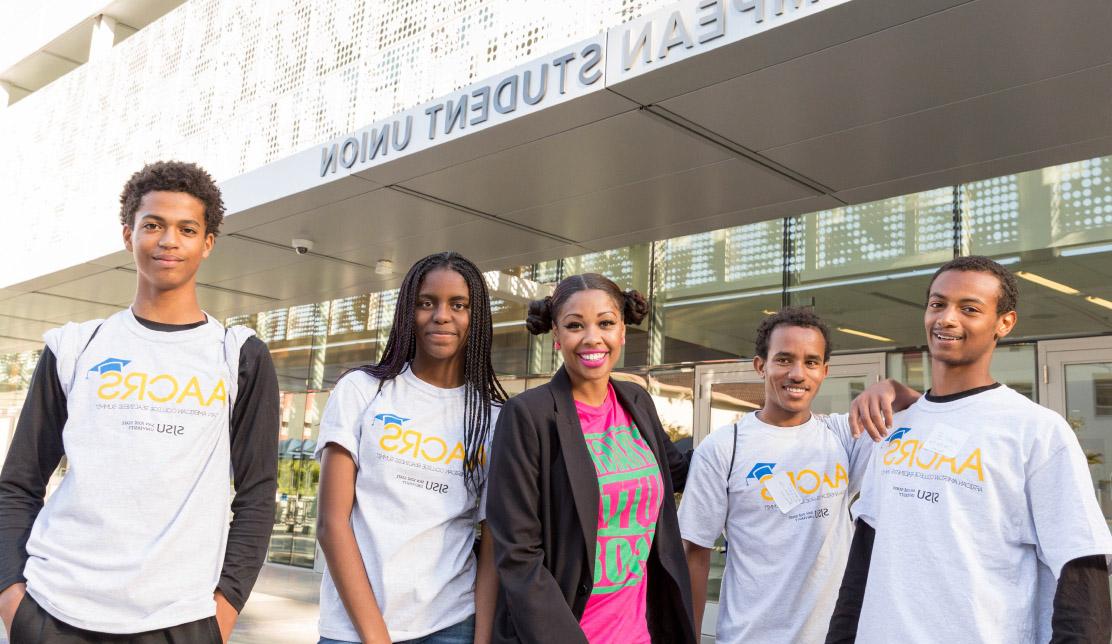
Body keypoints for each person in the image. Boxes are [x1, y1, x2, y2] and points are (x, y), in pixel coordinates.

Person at [0, 161, 279, 643]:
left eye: (186, 229)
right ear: (128, 234)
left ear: (207, 242)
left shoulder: (238, 354)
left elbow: (256, 495)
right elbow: (19, 484)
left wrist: (224, 610)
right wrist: (12, 600)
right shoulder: (76, 347)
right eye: (153, 225)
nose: (168, 240)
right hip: (53, 612)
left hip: (180, 620)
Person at [827, 255, 1112, 643]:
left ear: (1004, 323)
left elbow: (1081, 571)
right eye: (937, 304)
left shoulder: (1037, 431)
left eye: (970, 308)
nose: (946, 318)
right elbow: (864, 555)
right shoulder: (896, 426)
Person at [679, 307, 920, 644]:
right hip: (751, 637)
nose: (797, 373)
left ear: (824, 371)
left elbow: (923, 414)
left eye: (810, 362)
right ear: (760, 366)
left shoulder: (842, 434)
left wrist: (893, 388)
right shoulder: (724, 447)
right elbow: (694, 550)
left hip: (833, 636)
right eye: (784, 360)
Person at [486, 273, 695, 644]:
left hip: (640, 632)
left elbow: (677, 471)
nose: (592, 337)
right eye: (575, 325)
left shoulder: (637, 402)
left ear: (622, 333)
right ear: (557, 336)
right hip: (564, 633)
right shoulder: (528, 415)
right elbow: (518, 555)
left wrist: (751, 438)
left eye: (605, 323)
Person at [314, 252, 506, 644]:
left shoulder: (493, 418)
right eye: (426, 302)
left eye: (459, 305)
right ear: (407, 311)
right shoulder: (363, 391)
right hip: (352, 630)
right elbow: (331, 525)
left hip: (451, 626)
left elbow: (492, 546)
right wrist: (376, 637)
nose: (441, 316)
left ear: (478, 318)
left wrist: (482, 640)